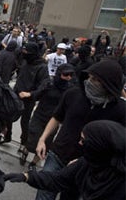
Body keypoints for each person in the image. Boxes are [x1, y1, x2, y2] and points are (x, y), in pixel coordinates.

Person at [35, 58, 126, 200]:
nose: (90, 82)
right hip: (58, 155)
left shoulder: (121, 110)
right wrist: (42, 139)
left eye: (95, 79)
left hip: (86, 168)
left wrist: (84, 162)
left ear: (108, 84)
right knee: (44, 192)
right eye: (90, 77)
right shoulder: (73, 94)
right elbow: (57, 117)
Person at [5, 120, 125, 200]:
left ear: (99, 146)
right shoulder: (86, 163)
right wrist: (27, 177)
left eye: (83, 140)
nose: (79, 143)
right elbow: (57, 179)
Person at [22, 64, 75, 169]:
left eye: (70, 75)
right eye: (66, 74)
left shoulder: (70, 89)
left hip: (54, 119)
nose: (68, 77)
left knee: (46, 142)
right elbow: (37, 94)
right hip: (40, 115)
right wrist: (29, 95)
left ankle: (33, 163)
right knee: (33, 138)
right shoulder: (49, 83)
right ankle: (26, 150)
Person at [13, 42, 49, 157]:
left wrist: (30, 94)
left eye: (26, 52)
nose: (24, 54)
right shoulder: (25, 61)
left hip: (28, 99)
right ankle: (6, 134)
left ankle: (24, 143)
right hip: (16, 95)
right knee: (9, 116)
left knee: (25, 122)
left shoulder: (42, 67)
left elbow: (44, 85)